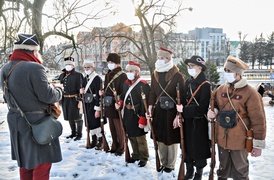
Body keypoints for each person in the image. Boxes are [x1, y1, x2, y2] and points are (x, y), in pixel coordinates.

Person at [0, 34, 63, 179]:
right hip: (37, 123)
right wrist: (59, 90)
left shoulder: (5, 69)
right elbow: (47, 96)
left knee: (26, 163)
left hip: (16, 122)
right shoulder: (34, 68)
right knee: (42, 164)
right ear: (33, 51)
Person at [207, 55, 266, 180]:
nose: (227, 73)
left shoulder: (250, 93)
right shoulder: (220, 89)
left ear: (238, 73)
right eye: (226, 71)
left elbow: (258, 120)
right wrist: (213, 111)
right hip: (222, 139)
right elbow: (214, 105)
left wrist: (258, 145)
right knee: (222, 172)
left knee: (241, 173)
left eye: (230, 71)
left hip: (240, 140)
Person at [146, 47, 185, 173]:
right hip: (158, 110)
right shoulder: (155, 73)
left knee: (171, 138)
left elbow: (182, 96)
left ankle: (171, 164)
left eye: (162, 58)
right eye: (158, 58)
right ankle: (163, 162)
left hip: (171, 111)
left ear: (168, 59)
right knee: (160, 137)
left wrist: (178, 115)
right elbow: (152, 92)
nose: (159, 60)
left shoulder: (177, 75)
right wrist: (150, 106)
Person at [176, 55, 211, 180]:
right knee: (187, 147)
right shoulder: (188, 82)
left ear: (200, 68)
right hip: (187, 121)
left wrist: (184, 110)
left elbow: (202, 108)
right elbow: (184, 100)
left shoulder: (205, 85)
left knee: (198, 149)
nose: (189, 68)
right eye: (188, 66)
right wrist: (178, 115)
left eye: (192, 66)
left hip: (198, 122)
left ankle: (198, 173)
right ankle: (189, 170)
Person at [115, 60, 150, 167]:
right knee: (131, 135)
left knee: (140, 137)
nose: (129, 72)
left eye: (131, 71)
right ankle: (135, 155)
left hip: (138, 114)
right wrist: (120, 103)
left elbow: (146, 103)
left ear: (137, 72)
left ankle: (143, 157)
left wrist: (143, 119)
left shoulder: (142, 84)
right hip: (128, 113)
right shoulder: (126, 84)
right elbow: (123, 96)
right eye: (128, 70)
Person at [101, 53, 127, 156]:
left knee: (118, 127)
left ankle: (121, 147)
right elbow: (106, 87)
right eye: (108, 62)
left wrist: (119, 101)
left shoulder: (122, 75)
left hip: (116, 104)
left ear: (117, 63)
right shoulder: (108, 74)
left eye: (111, 62)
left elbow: (124, 91)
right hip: (108, 104)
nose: (109, 64)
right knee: (112, 127)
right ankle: (114, 146)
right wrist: (103, 92)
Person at [79, 60, 104, 149]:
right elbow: (83, 91)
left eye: (88, 67)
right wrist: (81, 92)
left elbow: (99, 95)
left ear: (92, 68)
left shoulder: (97, 78)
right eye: (85, 68)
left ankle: (100, 141)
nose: (86, 69)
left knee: (96, 123)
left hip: (94, 103)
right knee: (89, 123)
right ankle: (93, 140)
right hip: (87, 104)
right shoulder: (85, 78)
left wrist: (98, 109)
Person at [58, 57, 84, 141]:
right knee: (69, 116)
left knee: (77, 116)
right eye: (66, 65)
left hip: (75, 98)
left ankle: (79, 134)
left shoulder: (78, 75)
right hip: (65, 99)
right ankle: (73, 133)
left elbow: (81, 88)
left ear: (73, 66)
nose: (68, 66)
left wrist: (80, 100)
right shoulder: (62, 75)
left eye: (69, 64)